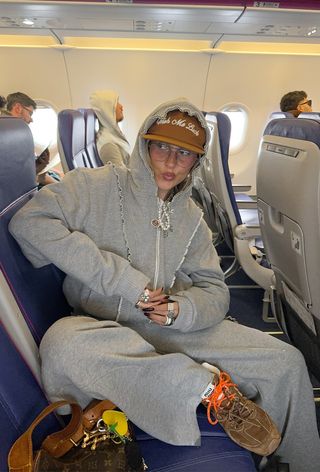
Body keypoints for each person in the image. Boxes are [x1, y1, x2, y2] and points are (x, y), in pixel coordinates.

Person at [9, 98, 320, 472]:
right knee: (62, 346)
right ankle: (204, 389)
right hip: (101, 329)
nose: (172, 162)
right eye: (163, 147)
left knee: (286, 362)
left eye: (185, 154)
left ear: (197, 161)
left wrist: (180, 311)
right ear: (145, 144)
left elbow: (214, 291)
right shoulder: (94, 187)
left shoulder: (191, 218)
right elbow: (29, 223)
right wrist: (125, 282)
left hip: (169, 329)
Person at [5, 92, 61, 186]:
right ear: (18, 108)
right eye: (30, 113)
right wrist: (38, 169)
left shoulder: (16, 133)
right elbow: (16, 179)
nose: (31, 119)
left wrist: (41, 167)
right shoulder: (8, 136)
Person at [90, 89, 130, 167]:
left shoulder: (113, 135)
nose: (121, 106)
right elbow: (122, 178)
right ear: (107, 109)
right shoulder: (108, 146)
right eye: (116, 103)